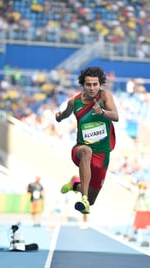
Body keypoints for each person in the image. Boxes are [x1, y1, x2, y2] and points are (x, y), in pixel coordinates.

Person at [56, 66, 119, 215]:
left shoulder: (104, 97)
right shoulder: (75, 101)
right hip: (81, 150)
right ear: (83, 85)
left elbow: (116, 116)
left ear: (100, 84)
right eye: (88, 84)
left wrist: (102, 112)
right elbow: (66, 113)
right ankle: (83, 197)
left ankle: (76, 184)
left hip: (102, 155)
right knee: (86, 150)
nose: (92, 88)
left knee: (92, 201)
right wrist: (59, 117)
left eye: (95, 84)